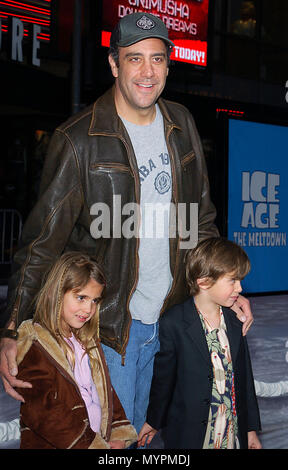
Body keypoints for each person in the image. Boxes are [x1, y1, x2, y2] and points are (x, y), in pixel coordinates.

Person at [0, 12, 253, 434]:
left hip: (175, 320)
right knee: (113, 443)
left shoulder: (182, 126)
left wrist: (222, 286)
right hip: (109, 331)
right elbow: (41, 244)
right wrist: (10, 329)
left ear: (169, 65)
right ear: (114, 65)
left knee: (167, 439)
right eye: (134, 59)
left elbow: (201, 219)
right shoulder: (78, 140)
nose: (147, 71)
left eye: (156, 59)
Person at [138, 237, 261, 449]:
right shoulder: (174, 322)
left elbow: (245, 379)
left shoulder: (234, 321)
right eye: (232, 280)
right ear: (203, 281)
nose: (240, 288)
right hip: (191, 435)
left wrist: (249, 429)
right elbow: (164, 379)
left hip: (231, 433)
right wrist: (153, 420)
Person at [15, 252, 137, 449]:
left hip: (98, 441)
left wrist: (118, 431)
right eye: (81, 298)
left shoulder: (87, 341)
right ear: (56, 293)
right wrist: (89, 445)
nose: (89, 309)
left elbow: (106, 391)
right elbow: (43, 410)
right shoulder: (34, 342)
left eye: (95, 301)